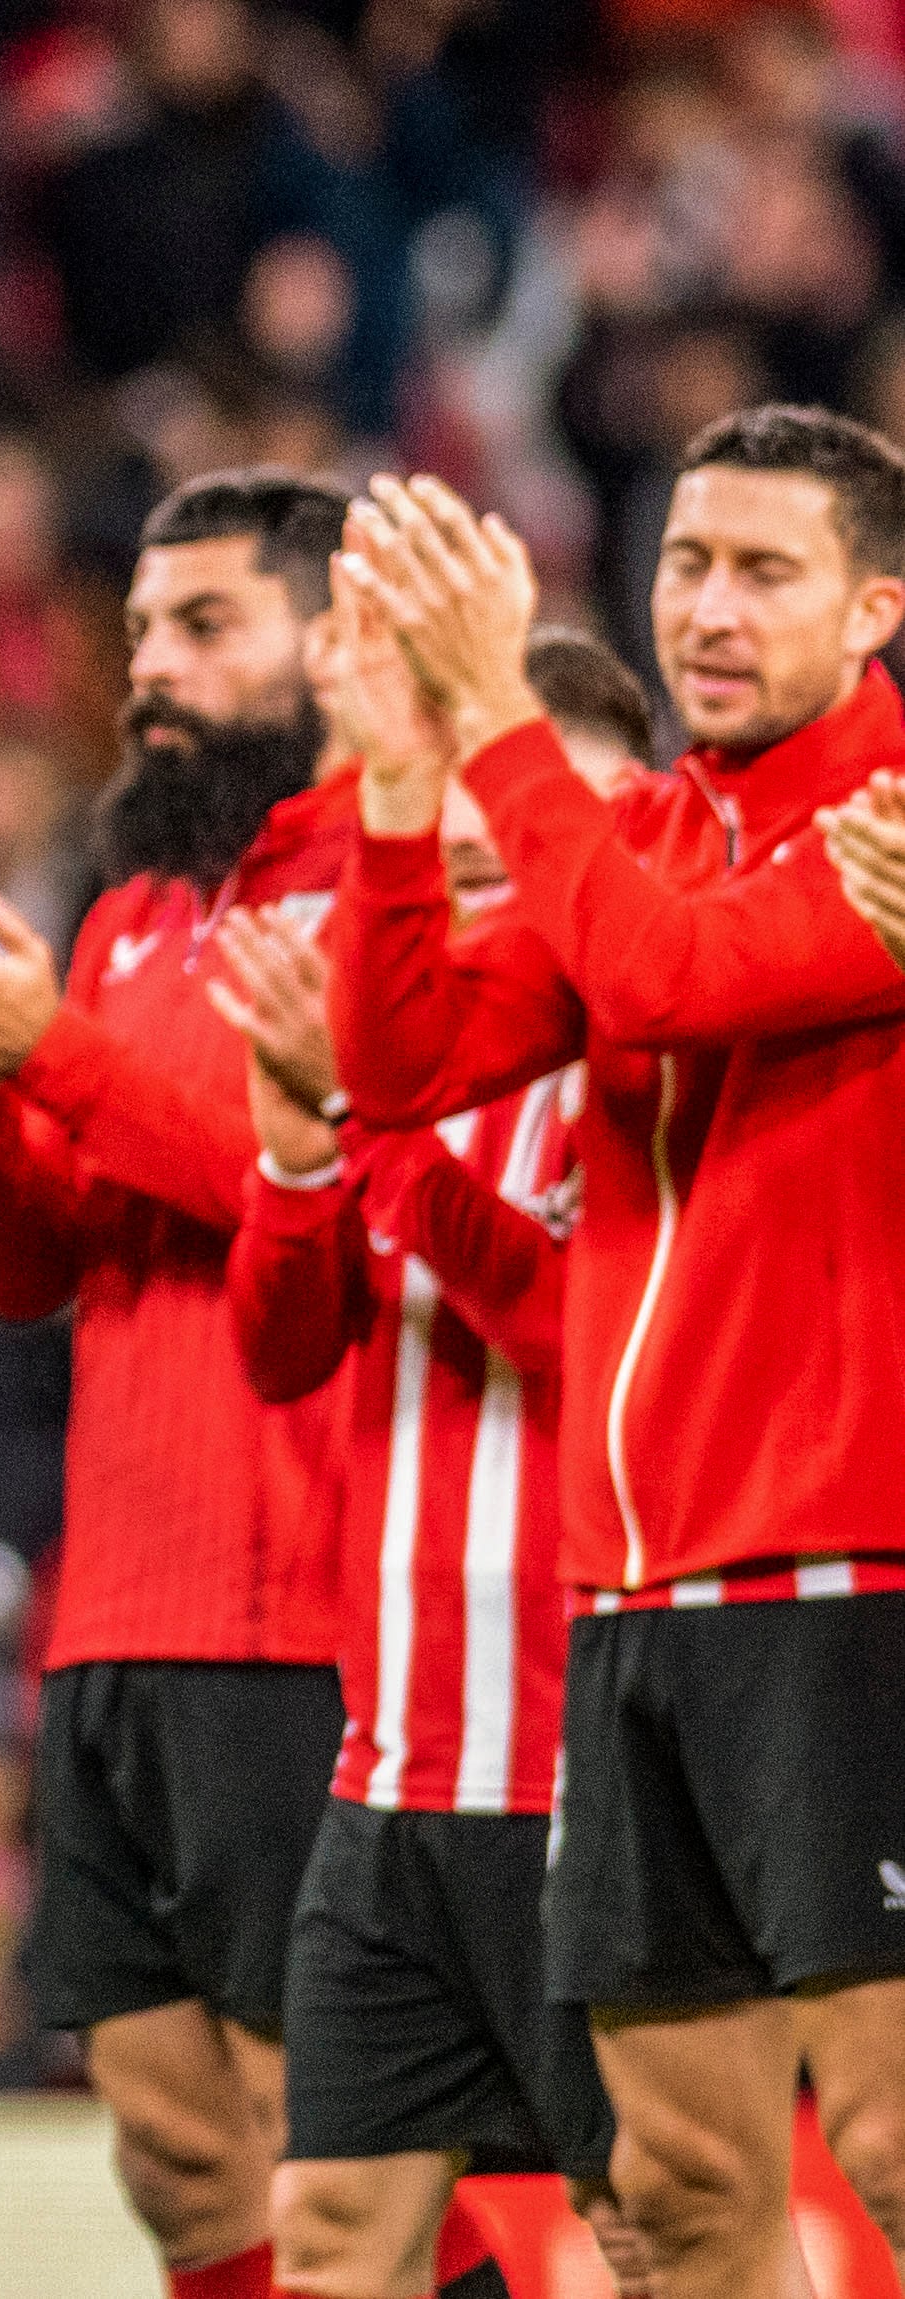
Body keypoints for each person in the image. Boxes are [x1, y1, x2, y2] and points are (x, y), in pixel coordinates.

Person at [329, 421, 905, 2297]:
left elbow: (663, 980)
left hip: (846, 1566)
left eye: (763, 571)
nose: (705, 610)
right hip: (634, 1589)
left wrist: (494, 708)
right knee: (668, 2179)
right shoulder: (639, 829)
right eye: (681, 564)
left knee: (895, 2137)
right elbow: (401, 1058)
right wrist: (403, 799)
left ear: (875, 606)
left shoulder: (888, 812)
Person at [0, 471, 357, 2299]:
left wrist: (44, 1050)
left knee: (332, 2130)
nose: (150, 667)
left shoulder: (388, 876)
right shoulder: (133, 902)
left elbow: (294, 1173)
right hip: (114, 1593)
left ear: (331, 639)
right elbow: (30, 1263)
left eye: (205, 626)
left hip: (297, 1592)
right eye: (141, 628)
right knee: (162, 2124)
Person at [214, 625, 659, 2299]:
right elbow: (274, 1344)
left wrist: (373, 1131)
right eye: (468, 858)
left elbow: (582, 1336)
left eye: (542, 846)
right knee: (331, 2231)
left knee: (654, 2229)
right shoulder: (412, 1070)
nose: (510, 887)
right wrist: (289, 1144)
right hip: (391, 1766)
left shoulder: (650, 1072)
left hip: (593, 1771)